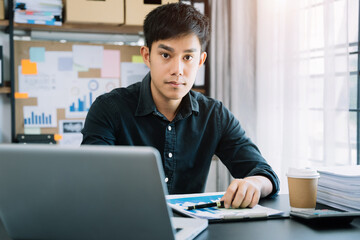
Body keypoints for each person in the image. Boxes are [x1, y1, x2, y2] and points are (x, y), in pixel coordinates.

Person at [81, 2, 279, 209]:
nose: (178, 70)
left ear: (201, 60)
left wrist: (254, 183)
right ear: (147, 56)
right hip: (124, 224)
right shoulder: (109, 109)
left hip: (193, 228)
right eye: (166, 55)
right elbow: (90, 179)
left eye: (188, 57)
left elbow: (265, 174)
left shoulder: (214, 115)